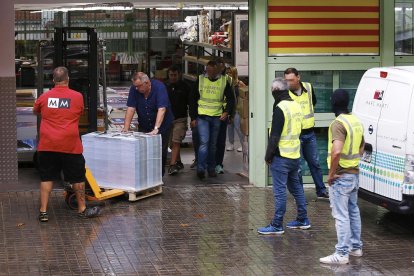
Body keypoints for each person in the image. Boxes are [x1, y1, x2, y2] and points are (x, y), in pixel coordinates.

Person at [33, 66, 101, 222]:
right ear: (68, 79)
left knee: (46, 178)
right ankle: (82, 209)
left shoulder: (45, 97)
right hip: (70, 145)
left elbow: (36, 110)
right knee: (77, 178)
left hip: (48, 144)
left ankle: (43, 211)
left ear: (53, 80)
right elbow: (80, 112)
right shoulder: (77, 97)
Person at [257, 78, 311, 235]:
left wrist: (268, 155)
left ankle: (277, 224)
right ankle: (303, 219)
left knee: (279, 191)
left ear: (275, 91)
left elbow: (275, 135)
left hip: (281, 157)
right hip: (294, 154)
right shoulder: (295, 105)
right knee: (296, 188)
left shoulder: (280, 108)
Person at [320, 89, 364, 265]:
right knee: (353, 211)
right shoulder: (355, 121)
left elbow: (336, 150)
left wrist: (331, 174)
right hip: (353, 174)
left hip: (341, 176)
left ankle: (341, 253)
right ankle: (355, 247)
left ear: (333, 103)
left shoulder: (338, 124)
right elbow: (362, 147)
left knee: (341, 215)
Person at [284, 68, 329, 199]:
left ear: (298, 77)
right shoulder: (285, 93)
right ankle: (300, 195)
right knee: (297, 168)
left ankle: (321, 190)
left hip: (309, 133)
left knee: (314, 163)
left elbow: (313, 102)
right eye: (286, 80)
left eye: (291, 80)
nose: (289, 83)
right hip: (295, 136)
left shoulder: (308, 87)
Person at [189, 60, 235, 179]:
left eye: (211, 70)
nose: (209, 72)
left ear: (217, 70)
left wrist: (227, 112)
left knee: (213, 144)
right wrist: (193, 117)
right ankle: (201, 168)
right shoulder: (201, 79)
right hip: (203, 116)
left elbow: (231, 99)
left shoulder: (224, 81)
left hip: (216, 117)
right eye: (208, 70)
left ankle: (211, 168)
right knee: (204, 142)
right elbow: (193, 98)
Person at [123, 72, 174, 176]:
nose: (136, 89)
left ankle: (159, 176)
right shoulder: (134, 89)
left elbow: (162, 109)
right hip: (144, 124)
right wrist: (126, 128)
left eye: (138, 86)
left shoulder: (159, 87)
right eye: (135, 86)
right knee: (143, 150)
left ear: (146, 83)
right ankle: (145, 176)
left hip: (162, 125)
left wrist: (156, 128)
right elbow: (131, 108)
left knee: (160, 150)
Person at [165, 65, 190, 175]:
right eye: (171, 75)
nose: (173, 77)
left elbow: (191, 102)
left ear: (179, 74)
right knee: (172, 144)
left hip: (181, 118)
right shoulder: (165, 87)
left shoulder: (185, 87)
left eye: (175, 75)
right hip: (169, 119)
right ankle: (178, 161)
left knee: (176, 141)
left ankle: (172, 165)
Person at [214, 58, 232, 174]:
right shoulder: (205, 80)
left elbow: (232, 98)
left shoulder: (227, 80)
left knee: (220, 141)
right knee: (210, 141)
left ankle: (218, 164)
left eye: (222, 67)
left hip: (222, 115)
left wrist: (229, 112)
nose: (220, 69)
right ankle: (210, 163)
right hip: (209, 114)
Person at [226, 66, 247, 153]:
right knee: (229, 126)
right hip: (229, 108)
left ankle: (243, 145)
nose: (228, 74)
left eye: (230, 73)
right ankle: (231, 144)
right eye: (227, 73)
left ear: (234, 74)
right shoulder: (226, 83)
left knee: (238, 127)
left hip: (238, 108)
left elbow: (245, 95)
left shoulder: (239, 83)